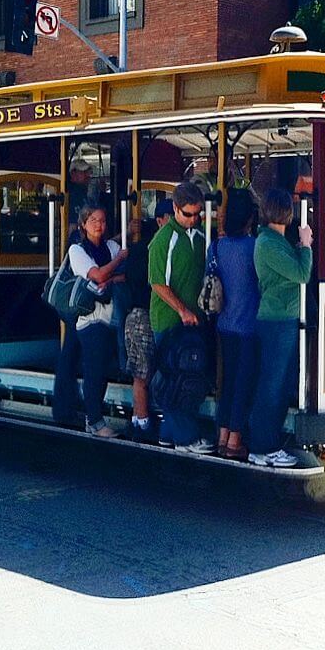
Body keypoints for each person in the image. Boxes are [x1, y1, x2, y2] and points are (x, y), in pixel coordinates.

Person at [247, 188, 313, 468]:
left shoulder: (274, 240)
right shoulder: (268, 243)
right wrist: (306, 245)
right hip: (276, 321)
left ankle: (269, 444)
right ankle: (262, 447)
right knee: (271, 387)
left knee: (281, 385)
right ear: (287, 212)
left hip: (283, 319)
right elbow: (301, 273)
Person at [148, 181, 213, 453]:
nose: (193, 219)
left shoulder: (200, 237)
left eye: (197, 214)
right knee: (176, 382)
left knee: (184, 379)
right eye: (188, 214)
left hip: (192, 322)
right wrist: (182, 310)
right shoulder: (163, 240)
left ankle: (168, 433)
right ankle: (186, 438)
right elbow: (157, 283)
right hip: (168, 321)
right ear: (175, 208)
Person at [67, 205, 128, 438]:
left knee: (103, 369)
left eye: (102, 220)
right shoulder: (77, 250)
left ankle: (95, 418)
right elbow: (98, 275)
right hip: (89, 318)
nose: (98, 224)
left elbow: (123, 275)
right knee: (94, 370)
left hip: (112, 316)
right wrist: (115, 265)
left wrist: (109, 274)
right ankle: (94, 420)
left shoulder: (111, 246)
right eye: (92, 220)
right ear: (83, 224)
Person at [207, 189, 258, 460]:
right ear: (249, 218)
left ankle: (223, 435)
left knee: (227, 382)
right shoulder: (255, 247)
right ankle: (235, 439)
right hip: (249, 325)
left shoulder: (216, 246)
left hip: (224, 323)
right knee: (244, 382)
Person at [122, 198, 173, 442]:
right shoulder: (146, 249)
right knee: (142, 373)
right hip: (142, 315)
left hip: (151, 314)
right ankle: (140, 422)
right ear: (160, 220)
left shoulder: (151, 247)